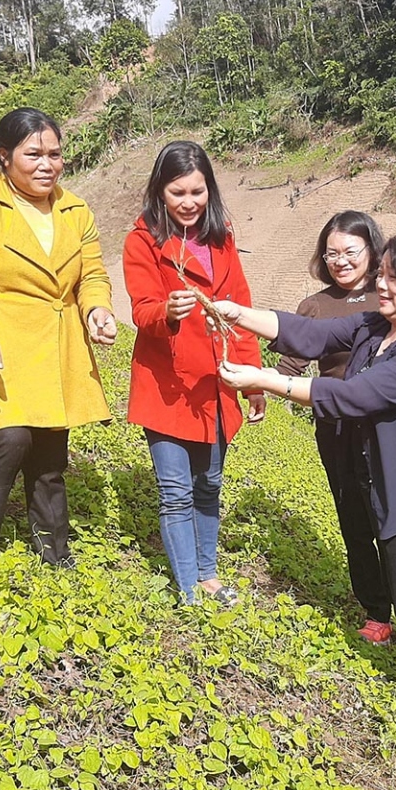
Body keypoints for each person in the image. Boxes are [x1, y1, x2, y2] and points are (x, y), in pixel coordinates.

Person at [216, 232, 396, 733]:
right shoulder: (380, 325)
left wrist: (266, 380)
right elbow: (311, 335)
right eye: (383, 274)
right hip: (383, 483)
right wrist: (238, 312)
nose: (383, 285)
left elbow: (355, 395)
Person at [0, 107, 117, 568]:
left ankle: (52, 546)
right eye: (33, 154)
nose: (47, 164)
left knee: (51, 448)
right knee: (10, 437)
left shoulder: (75, 210)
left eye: (55, 154)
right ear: (4, 157)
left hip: (57, 347)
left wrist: (97, 307)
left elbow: (92, 274)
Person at [123, 141, 266, 606]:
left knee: (209, 485)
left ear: (210, 190)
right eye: (177, 192)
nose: (188, 203)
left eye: (197, 192)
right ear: (159, 192)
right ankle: (188, 589)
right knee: (175, 492)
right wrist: (168, 310)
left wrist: (253, 381)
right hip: (165, 386)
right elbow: (142, 310)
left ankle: (208, 575)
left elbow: (239, 314)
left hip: (215, 385)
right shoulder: (142, 241)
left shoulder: (221, 237)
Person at [274, 211, 394, 645]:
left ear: (372, 251)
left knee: (393, 520)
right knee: (355, 521)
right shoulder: (316, 306)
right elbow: (290, 362)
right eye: (331, 253)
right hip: (337, 431)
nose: (340, 261)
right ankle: (378, 613)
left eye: (350, 252)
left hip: (386, 430)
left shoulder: (390, 298)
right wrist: (258, 386)